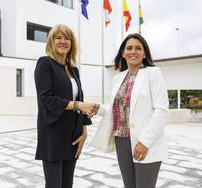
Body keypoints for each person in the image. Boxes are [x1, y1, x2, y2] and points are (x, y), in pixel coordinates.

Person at [90, 33, 169, 188]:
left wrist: (145, 142)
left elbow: (162, 111)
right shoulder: (118, 78)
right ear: (123, 53)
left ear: (144, 53)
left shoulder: (153, 73)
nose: (133, 51)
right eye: (129, 48)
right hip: (122, 141)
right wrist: (99, 108)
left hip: (145, 142)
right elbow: (118, 111)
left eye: (138, 48)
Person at [34, 24, 95, 188]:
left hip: (73, 135)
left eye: (67, 38)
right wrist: (77, 105)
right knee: (54, 184)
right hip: (53, 134)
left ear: (72, 43)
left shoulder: (74, 70)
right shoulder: (45, 63)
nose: (63, 41)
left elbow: (79, 98)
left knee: (67, 184)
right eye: (58, 37)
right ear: (51, 42)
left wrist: (84, 130)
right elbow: (46, 100)